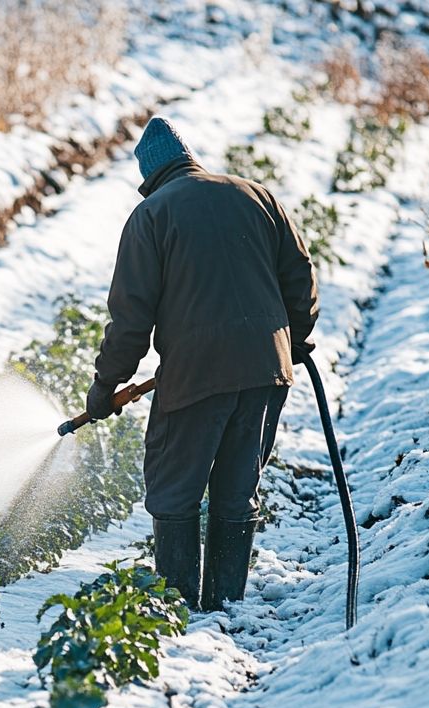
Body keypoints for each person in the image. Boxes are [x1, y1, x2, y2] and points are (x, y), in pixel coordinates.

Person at [87, 116, 318, 611]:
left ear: (149, 177)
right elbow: (301, 279)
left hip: (196, 376)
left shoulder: (151, 216)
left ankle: (178, 609)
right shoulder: (256, 195)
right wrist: (292, 339)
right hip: (267, 370)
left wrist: (106, 384)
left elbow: (131, 320)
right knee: (237, 489)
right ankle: (225, 603)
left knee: (175, 489)